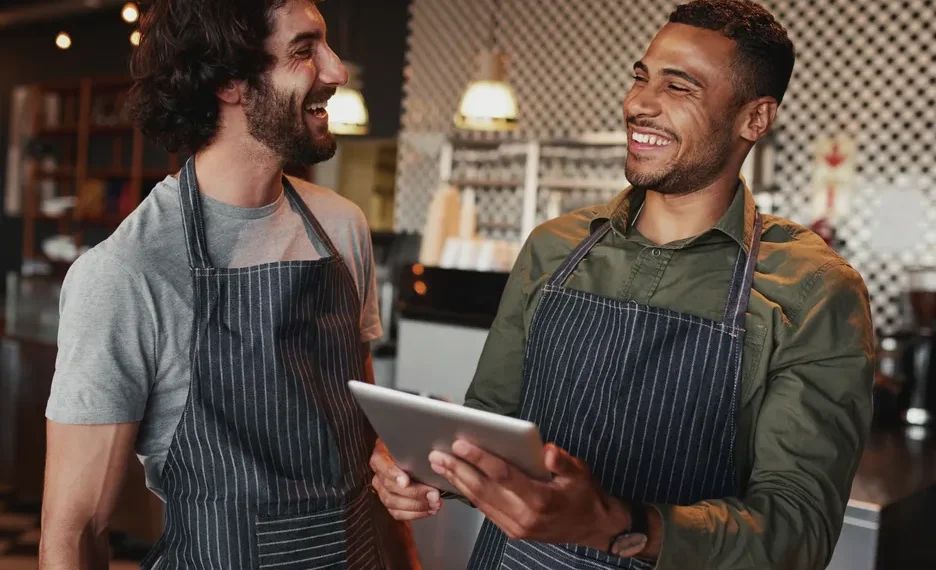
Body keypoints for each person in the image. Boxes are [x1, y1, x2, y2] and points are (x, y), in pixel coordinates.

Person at [370, 1, 875, 569]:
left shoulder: (814, 291)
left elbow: (795, 531)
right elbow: (491, 423)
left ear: (754, 119)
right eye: (641, 77)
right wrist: (428, 467)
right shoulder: (554, 247)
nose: (639, 103)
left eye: (679, 87)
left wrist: (616, 525)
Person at [39, 1, 419, 568]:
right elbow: (72, 534)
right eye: (303, 50)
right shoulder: (126, 273)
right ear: (228, 82)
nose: (336, 71)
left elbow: (362, 443)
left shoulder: (342, 228)